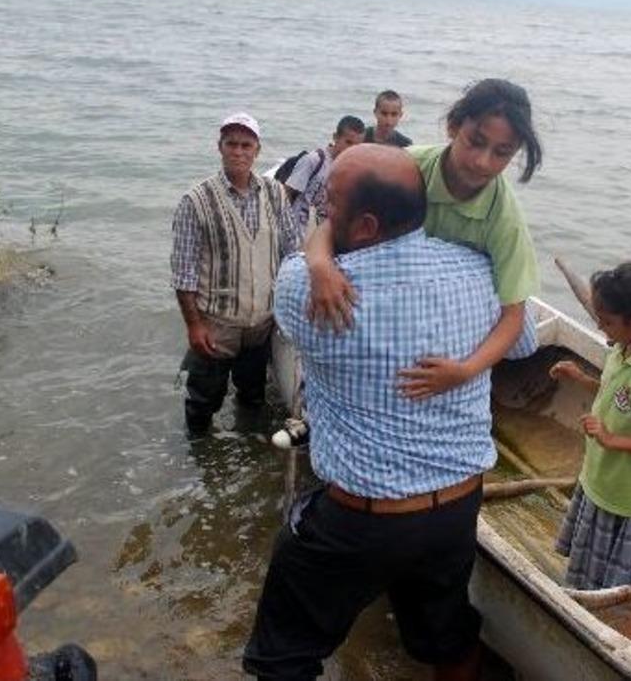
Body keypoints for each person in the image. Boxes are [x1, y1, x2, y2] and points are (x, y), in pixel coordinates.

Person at [243, 143, 537, 681]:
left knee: (281, 656)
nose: (323, 215)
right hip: (455, 508)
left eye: (330, 204)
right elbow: (521, 343)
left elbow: (311, 253)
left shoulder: (310, 292)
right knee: (447, 638)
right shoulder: (479, 272)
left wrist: (319, 252)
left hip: (363, 518)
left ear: (367, 224)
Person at [307, 78, 542, 401]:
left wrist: (466, 371)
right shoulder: (408, 166)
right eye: (475, 141)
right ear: (453, 127)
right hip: (390, 292)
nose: (482, 162)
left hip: (448, 321)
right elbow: (335, 224)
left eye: (501, 153)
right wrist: (320, 267)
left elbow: (513, 316)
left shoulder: (505, 220)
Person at [550, 262, 631, 589]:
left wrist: (610, 439)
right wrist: (581, 378)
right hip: (602, 477)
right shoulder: (624, 347)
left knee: (613, 579)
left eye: (606, 322)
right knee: (590, 566)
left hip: (627, 494)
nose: (600, 328)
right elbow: (615, 395)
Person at [169, 111, 300, 436]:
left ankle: (246, 450)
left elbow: (292, 252)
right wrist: (194, 326)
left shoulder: (275, 193)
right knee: (202, 402)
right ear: (220, 147)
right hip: (217, 327)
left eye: (246, 145)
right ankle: (201, 463)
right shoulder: (196, 201)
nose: (239, 152)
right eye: (232, 144)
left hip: (261, 324)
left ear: (257, 150)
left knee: (253, 396)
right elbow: (183, 273)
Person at [282, 115, 365, 232]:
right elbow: (288, 192)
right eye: (348, 142)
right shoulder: (315, 160)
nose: (351, 149)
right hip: (296, 227)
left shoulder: (351, 170)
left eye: (356, 146)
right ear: (335, 137)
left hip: (321, 231)